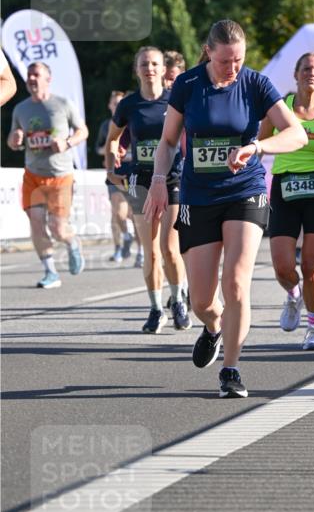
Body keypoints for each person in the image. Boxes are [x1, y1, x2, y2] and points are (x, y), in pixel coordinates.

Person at [143, 19, 307, 399]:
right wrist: (158, 180)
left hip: (244, 191)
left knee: (235, 282)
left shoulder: (255, 84)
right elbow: (168, 142)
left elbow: (296, 134)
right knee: (202, 300)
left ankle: (230, 369)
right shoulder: (187, 85)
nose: (232, 68)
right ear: (208, 52)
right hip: (199, 196)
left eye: (239, 60)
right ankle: (214, 326)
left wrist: (258, 147)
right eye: (224, 61)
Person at [257, 52, 314, 350]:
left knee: (310, 266)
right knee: (283, 267)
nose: (312, 73)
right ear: (296, 75)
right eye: (306, 68)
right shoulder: (279, 110)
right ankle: (293, 295)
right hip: (284, 187)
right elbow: (260, 144)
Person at [105, 47, 190, 333]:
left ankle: (178, 301)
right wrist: (112, 167)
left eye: (154, 64)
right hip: (140, 180)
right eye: (144, 64)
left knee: (169, 248)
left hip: (172, 178)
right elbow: (113, 138)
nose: (149, 68)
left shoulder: (175, 99)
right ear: (136, 69)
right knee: (150, 251)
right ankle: (155, 309)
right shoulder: (128, 105)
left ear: (164, 69)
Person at [7, 61, 87, 287]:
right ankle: (51, 272)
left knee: (58, 229)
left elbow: (83, 131)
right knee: (36, 223)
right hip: (33, 175)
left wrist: (67, 142)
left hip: (60, 175)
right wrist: (14, 140)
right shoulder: (20, 109)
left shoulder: (62, 104)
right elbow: (13, 139)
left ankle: (72, 242)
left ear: (48, 79)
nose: (31, 79)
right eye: (29, 75)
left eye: (36, 75)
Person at [96, 90, 135, 263]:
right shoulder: (106, 125)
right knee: (117, 213)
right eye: (115, 103)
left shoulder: (136, 121)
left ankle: (142, 252)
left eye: (120, 102)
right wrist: (109, 151)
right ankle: (123, 241)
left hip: (133, 172)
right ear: (110, 106)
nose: (118, 106)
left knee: (135, 214)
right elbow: (98, 148)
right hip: (115, 171)